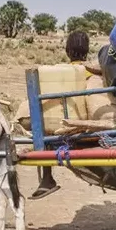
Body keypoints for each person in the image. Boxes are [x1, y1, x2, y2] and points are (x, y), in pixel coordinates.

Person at [30, 31, 90, 200]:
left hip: (61, 132)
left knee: (45, 127)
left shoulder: (59, 73)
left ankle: (47, 178)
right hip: (87, 128)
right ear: (87, 51)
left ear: (67, 51)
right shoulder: (91, 72)